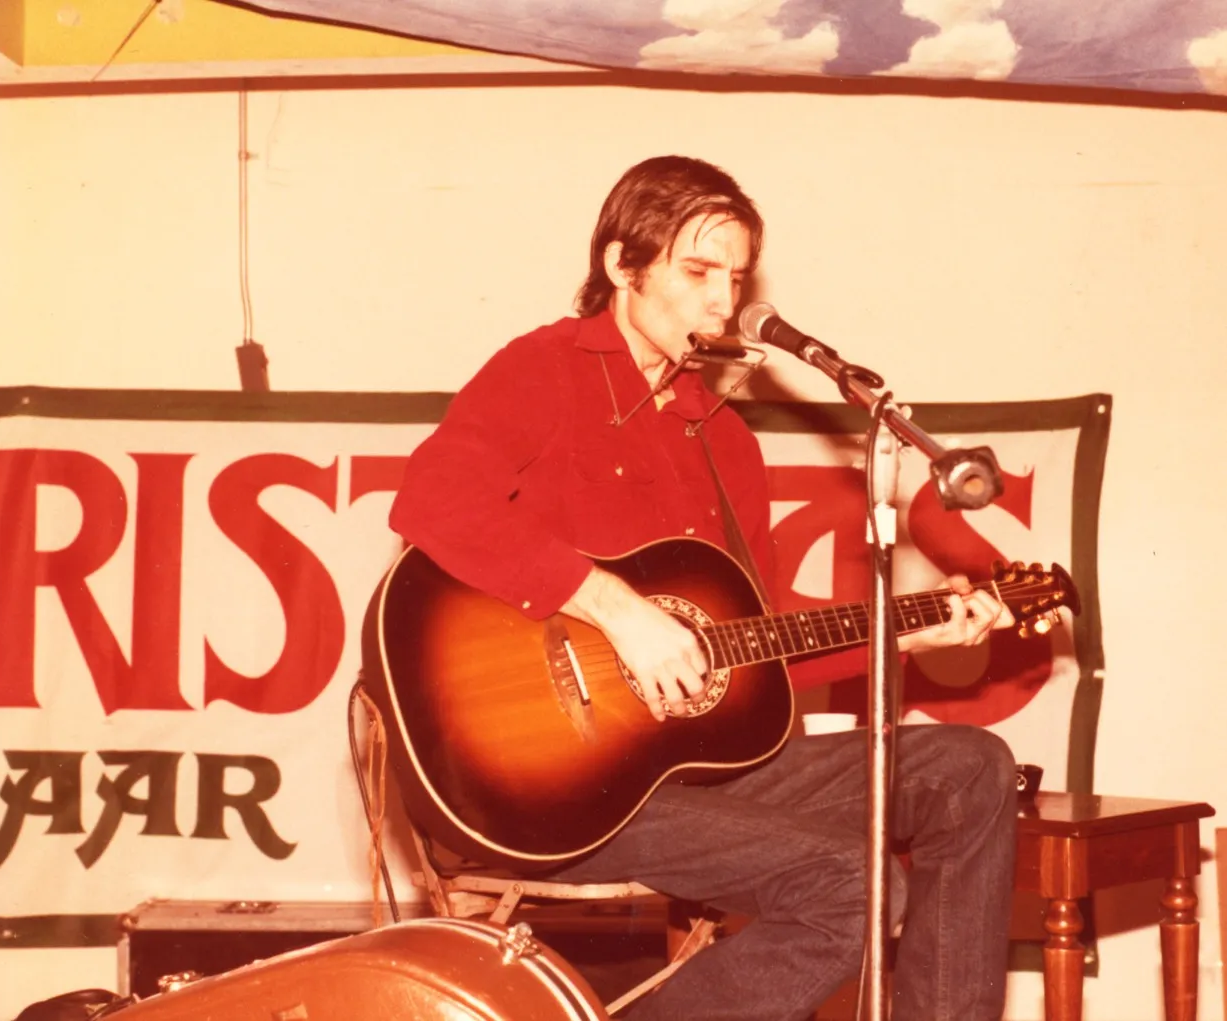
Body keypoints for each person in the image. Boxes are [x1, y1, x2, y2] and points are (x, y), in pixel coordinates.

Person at [390, 155, 1018, 1021]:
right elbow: (431, 501)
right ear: (622, 264)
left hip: (696, 772)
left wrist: (901, 630)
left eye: (736, 277)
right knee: (853, 881)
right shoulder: (543, 368)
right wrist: (616, 609)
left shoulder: (724, 442)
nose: (723, 301)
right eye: (697, 272)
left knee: (969, 769)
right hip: (557, 792)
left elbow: (751, 653)